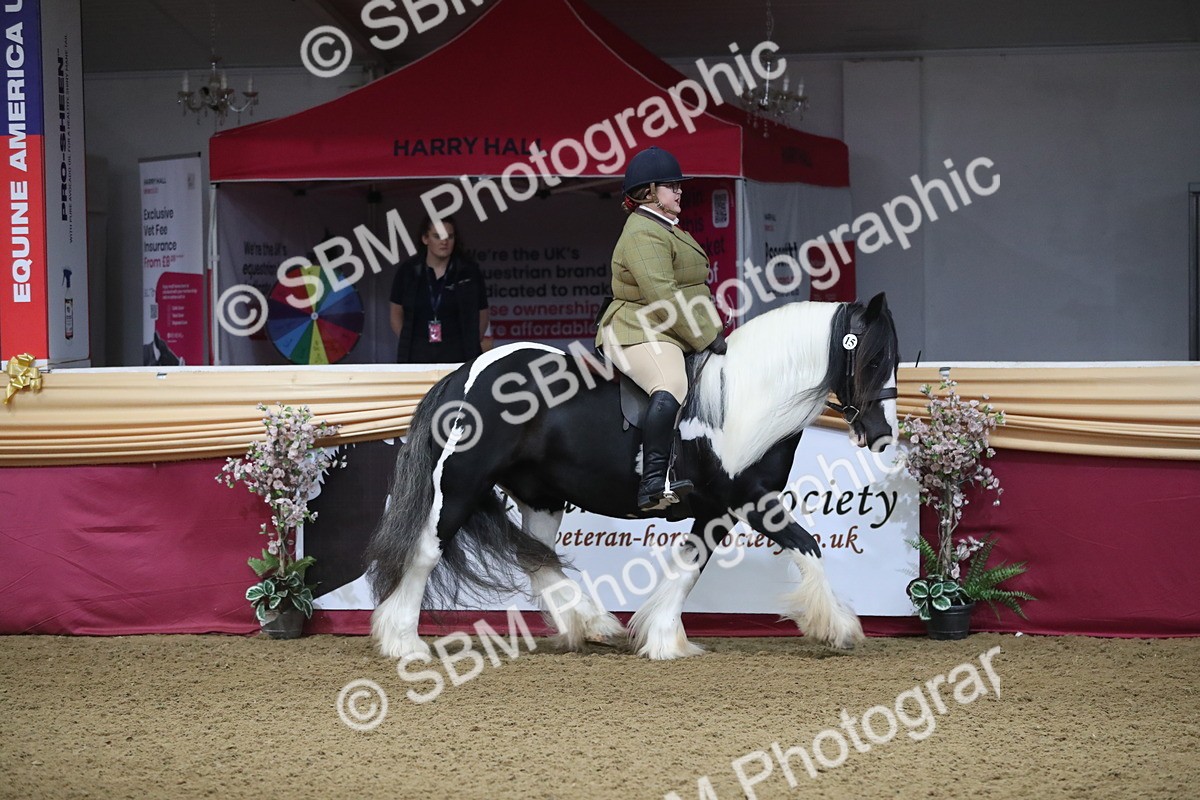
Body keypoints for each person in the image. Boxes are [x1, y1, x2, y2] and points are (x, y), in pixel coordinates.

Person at [596, 146, 727, 510]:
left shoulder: (666, 228)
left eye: (678, 186)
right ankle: (653, 482)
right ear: (649, 192)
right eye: (671, 186)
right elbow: (663, 295)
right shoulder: (642, 232)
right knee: (670, 383)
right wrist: (704, 336)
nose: (679, 191)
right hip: (635, 328)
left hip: (663, 326)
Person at [390, 215, 492, 363]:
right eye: (437, 236)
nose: (444, 242)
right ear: (425, 239)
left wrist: (471, 342)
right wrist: (410, 342)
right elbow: (395, 313)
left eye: (449, 237)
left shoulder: (469, 271)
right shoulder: (408, 271)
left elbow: (482, 312)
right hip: (417, 352)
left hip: (459, 352)